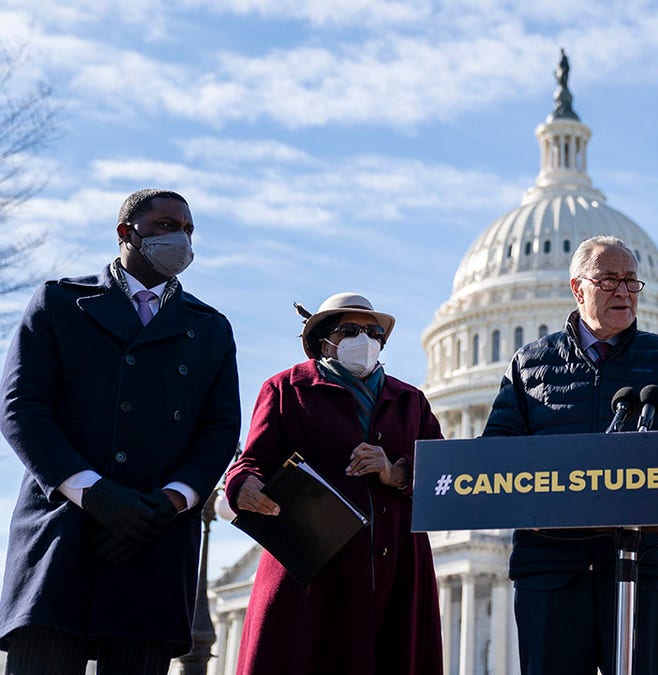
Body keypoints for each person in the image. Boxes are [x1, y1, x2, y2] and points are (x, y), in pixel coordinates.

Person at [0, 189, 241, 674]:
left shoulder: (210, 327)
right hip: (62, 532)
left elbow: (220, 429)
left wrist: (167, 503)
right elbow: (21, 407)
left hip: (155, 542)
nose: (180, 238)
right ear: (125, 232)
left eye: (189, 230)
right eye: (166, 225)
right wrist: (94, 494)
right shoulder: (60, 302)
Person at [483, 235, 658, 675]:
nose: (624, 291)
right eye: (609, 280)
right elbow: (496, 457)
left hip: (645, 566)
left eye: (631, 280)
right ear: (578, 288)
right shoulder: (529, 364)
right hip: (552, 570)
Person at [225, 292, 443, 675]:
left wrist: (395, 471)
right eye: (351, 330)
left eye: (374, 332)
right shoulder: (285, 389)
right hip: (312, 569)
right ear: (324, 340)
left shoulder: (411, 401)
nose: (366, 340)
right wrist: (244, 485)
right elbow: (251, 463)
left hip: (394, 570)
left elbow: (443, 477)